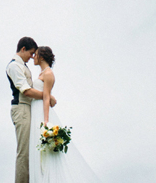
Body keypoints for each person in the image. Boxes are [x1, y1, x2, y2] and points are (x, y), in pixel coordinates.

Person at [28, 46, 101, 183]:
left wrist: (46, 121)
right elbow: (46, 94)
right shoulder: (42, 73)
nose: (33, 57)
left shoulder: (48, 73)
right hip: (35, 109)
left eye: (36, 55)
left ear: (42, 57)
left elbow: (45, 98)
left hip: (41, 112)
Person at [7, 37, 56, 183]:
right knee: (24, 152)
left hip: (30, 110)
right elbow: (26, 91)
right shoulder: (14, 66)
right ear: (23, 49)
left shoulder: (23, 66)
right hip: (21, 108)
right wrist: (47, 97)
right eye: (31, 53)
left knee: (32, 150)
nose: (32, 57)